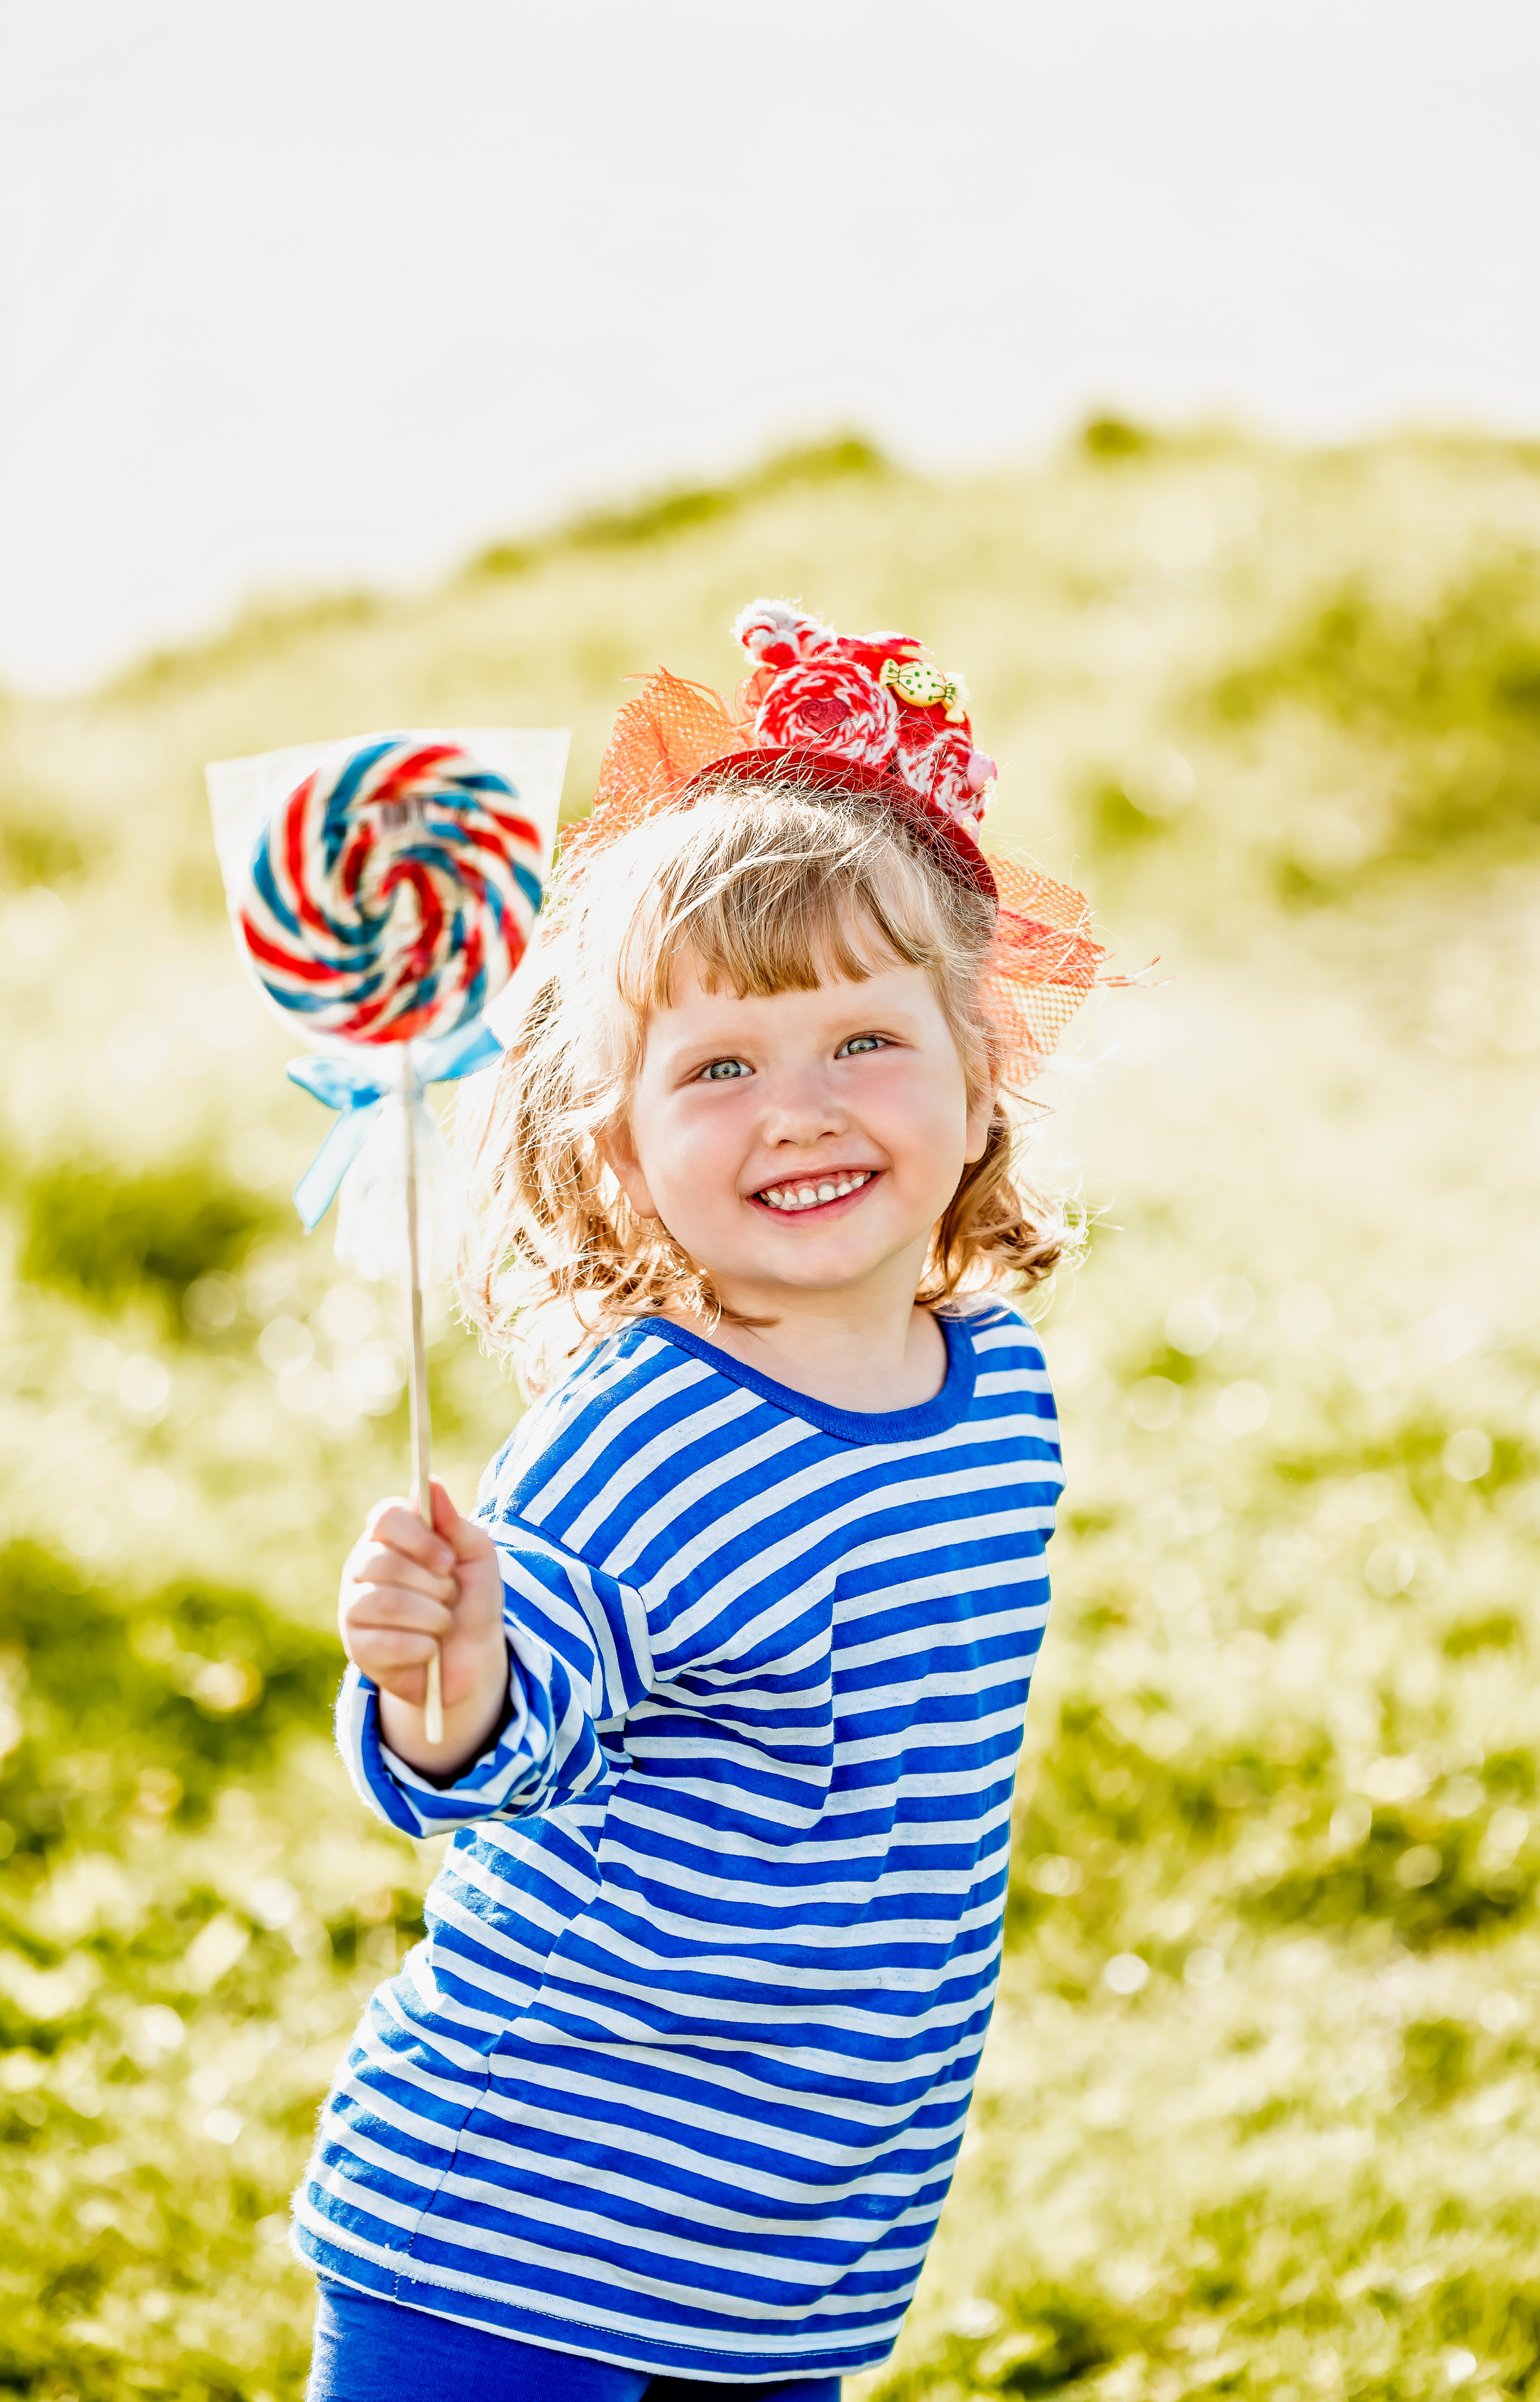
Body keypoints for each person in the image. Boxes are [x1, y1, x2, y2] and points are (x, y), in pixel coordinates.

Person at [294, 601, 1120, 2401]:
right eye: (720, 1067)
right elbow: (508, 1728)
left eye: (862, 1044)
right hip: (515, 2231)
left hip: (786, 2244)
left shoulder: (999, 1392)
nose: (798, 1113)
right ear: (620, 1150)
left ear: (984, 1076)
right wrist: (451, 1671)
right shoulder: (649, 1431)